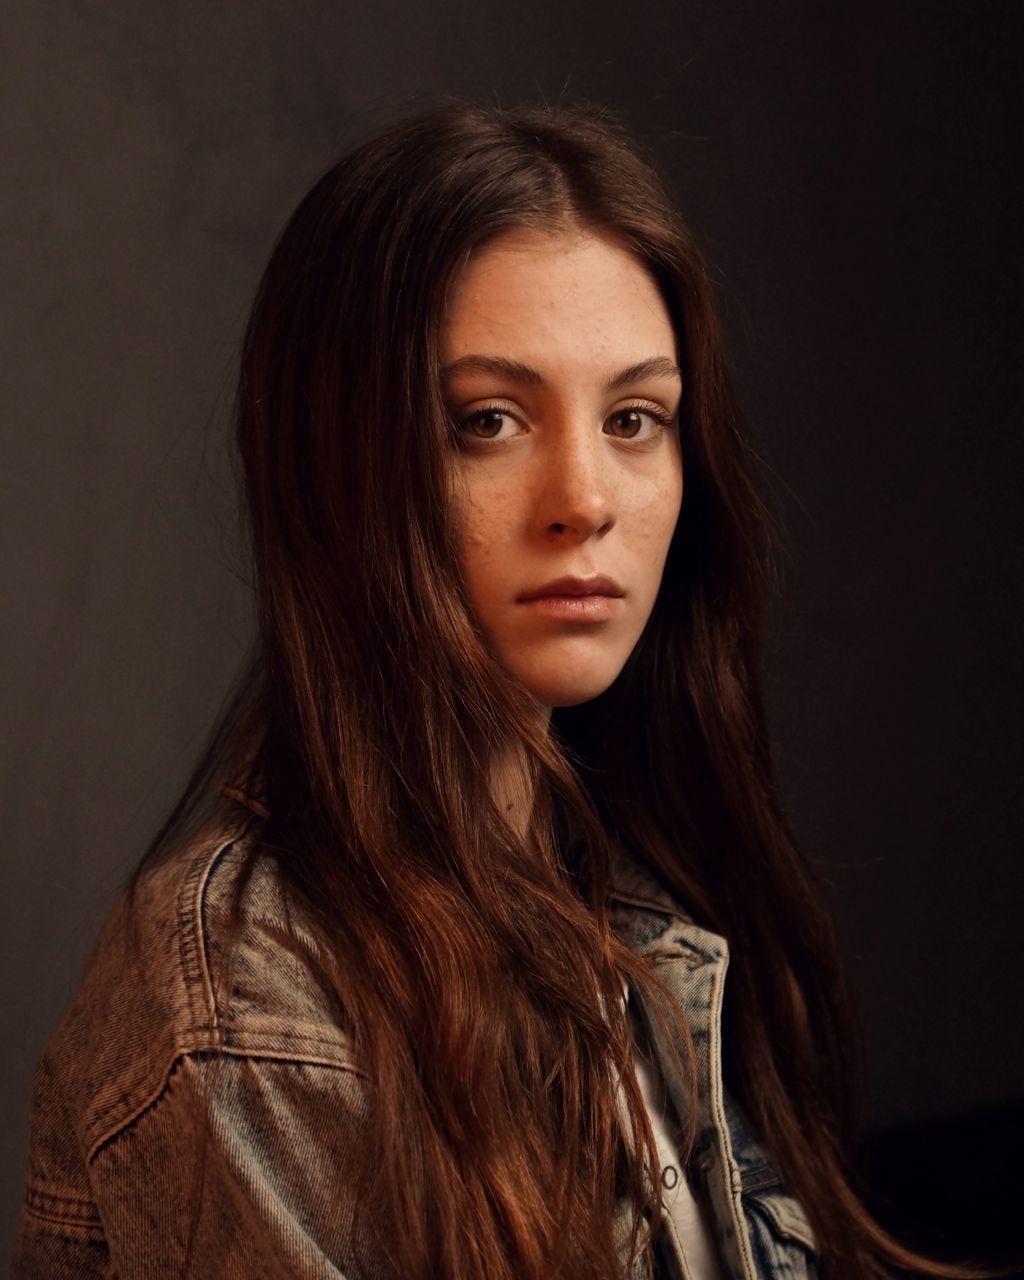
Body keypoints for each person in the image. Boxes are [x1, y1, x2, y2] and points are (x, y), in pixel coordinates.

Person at [13, 100, 983, 1280]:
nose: (585, 496)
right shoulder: (246, 989)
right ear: (342, 463)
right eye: (488, 421)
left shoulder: (631, 894)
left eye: (636, 418)